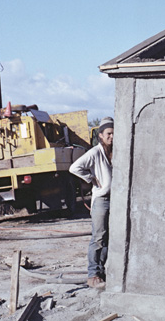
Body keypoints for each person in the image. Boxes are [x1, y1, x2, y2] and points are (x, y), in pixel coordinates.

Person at [70, 116, 114, 289]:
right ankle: (92, 275)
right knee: (98, 237)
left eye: (114, 133)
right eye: (109, 134)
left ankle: (102, 272)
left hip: (115, 200)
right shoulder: (95, 152)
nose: (112, 137)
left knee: (108, 237)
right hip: (102, 200)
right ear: (101, 135)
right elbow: (74, 167)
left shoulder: (117, 151)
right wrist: (91, 178)